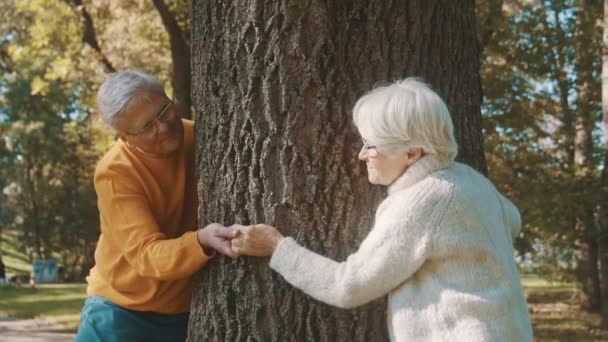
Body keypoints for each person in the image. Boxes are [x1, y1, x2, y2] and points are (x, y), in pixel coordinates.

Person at [230, 78, 534, 341]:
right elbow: (514, 220)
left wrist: (278, 248)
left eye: (371, 145)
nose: (362, 155)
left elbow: (347, 286)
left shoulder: (421, 200)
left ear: (412, 152)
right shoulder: (470, 181)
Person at [75, 70, 238, 342]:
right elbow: (145, 254)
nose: (163, 127)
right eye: (147, 126)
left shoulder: (200, 135)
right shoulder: (116, 173)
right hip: (120, 313)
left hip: (183, 312)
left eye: (164, 110)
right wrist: (201, 241)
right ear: (124, 136)